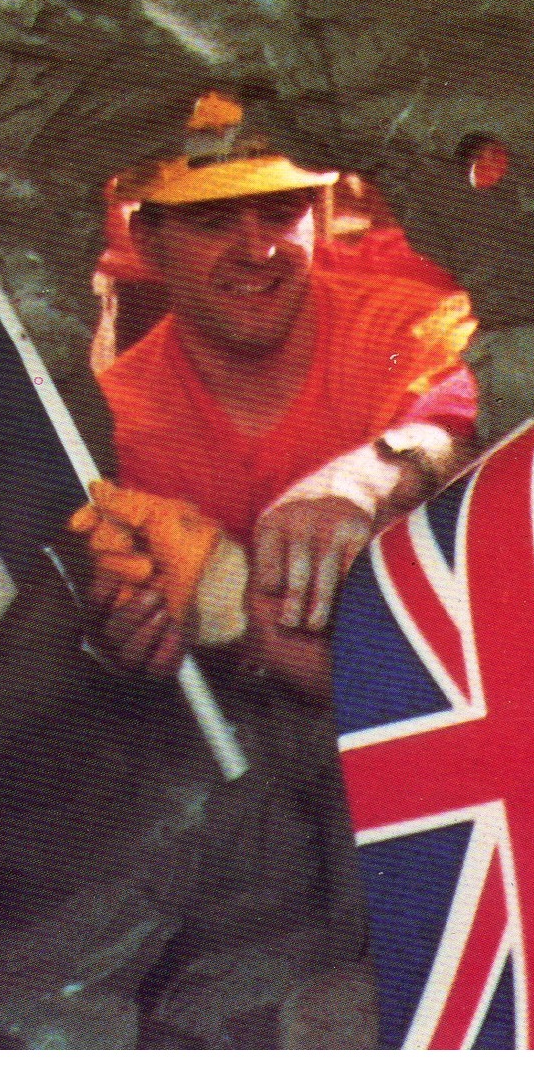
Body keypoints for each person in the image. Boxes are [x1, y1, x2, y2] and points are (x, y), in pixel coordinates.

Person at [80, 91, 477, 667]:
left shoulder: (405, 327)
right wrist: (128, 644)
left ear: (318, 216)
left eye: (279, 212)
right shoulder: (119, 420)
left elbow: (470, 419)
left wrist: (372, 476)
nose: (258, 249)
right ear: (147, 244)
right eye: (213, 222)